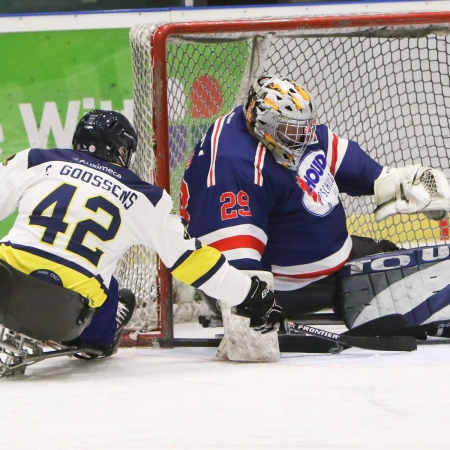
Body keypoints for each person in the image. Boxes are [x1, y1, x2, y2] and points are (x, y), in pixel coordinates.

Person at [0, 109, 285, 358]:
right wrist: (249, 294)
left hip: (5, 286)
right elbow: (190, 261)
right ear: (122, 152)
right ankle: (97, 340)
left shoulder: (34, 159)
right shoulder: (144, 197)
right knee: (109, 288)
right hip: (65, 317)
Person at [180, 74, 450, 336]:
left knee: (399, 263)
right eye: (292, 130)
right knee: (406, 287)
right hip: (284, 289)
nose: (302, 137)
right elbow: (236, 267)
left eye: (304, 128)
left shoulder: (283, 132)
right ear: (262, 122)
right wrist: (254, 313)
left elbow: (337, 155)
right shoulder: (235, 167)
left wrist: (393, 180)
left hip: (325, 262)